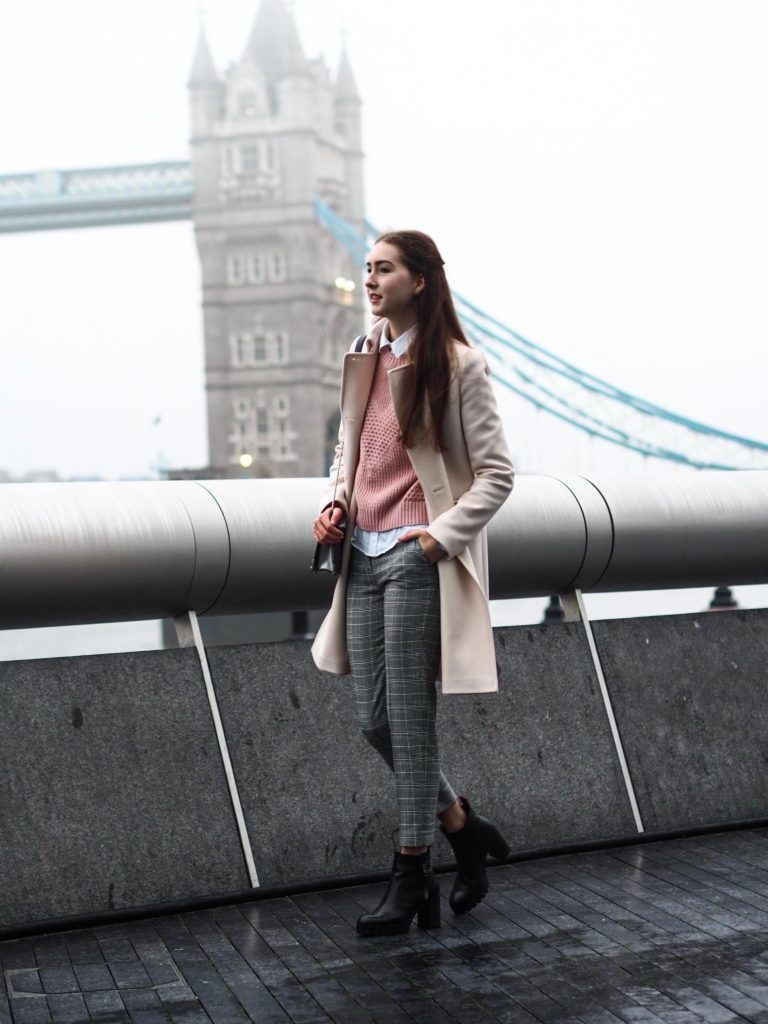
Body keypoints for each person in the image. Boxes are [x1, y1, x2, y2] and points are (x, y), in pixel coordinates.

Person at [311, 229, 514, 937]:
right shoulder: (364, 356)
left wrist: (438, 538)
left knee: (411, 716)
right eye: (366, 268)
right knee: (375, 720)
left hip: (413, 556)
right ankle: (461, 825)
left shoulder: (458, 365)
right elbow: (351, 451)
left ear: (420, 280)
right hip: (360, 556)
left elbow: (497, 475)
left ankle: (410, 873)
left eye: (385, 269)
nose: (370, 280)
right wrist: (335, 503)